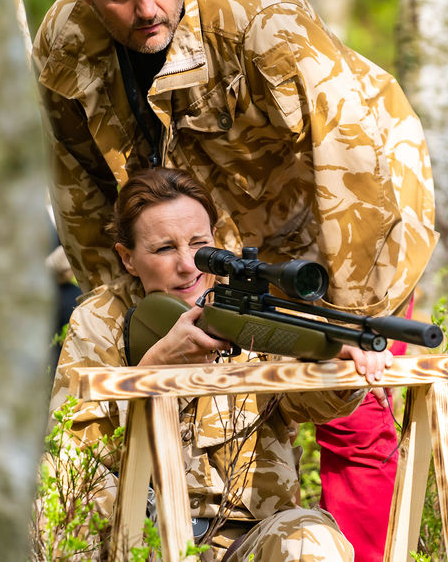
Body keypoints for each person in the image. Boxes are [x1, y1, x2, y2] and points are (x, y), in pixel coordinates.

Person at [32, 0, 438, 560]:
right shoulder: (66, 43)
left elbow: (354, 153)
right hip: (205, 235)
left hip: (342, 211)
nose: (148, 7)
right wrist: (127, 304)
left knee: (356, 410)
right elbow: (80, 180)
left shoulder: (259, 18)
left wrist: (352, 315)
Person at [50, 167, 365, 560]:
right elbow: (72, 448)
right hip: (137, 533)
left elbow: (315, 403)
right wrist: (153, 371)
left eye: (199, 244)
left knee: (312, 540)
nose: (188, 265)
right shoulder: (100, 320)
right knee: (50, 481)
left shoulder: (250, 311)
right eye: (164, 249)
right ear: (128, 258)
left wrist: (342, 365)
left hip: (245, 537)